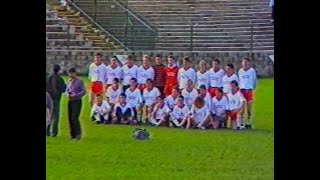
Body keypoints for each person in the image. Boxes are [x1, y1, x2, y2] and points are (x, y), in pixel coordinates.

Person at [66, 67, 86, 140]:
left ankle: (78, 134)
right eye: (69, 74)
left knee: (74, 117)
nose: (70, 75)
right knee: (70, 118)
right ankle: (72, 135)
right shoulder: (69, 81)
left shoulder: (80, 81)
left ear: (74, 73)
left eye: (71, 74)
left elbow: (84, 91)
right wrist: (68, 94)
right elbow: (67, 90)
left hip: (77, 101)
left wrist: (76, 95)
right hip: (70, 101)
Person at [46, 64, 66, 137]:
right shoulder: (60, 79)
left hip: (48, 99)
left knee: (48, 115)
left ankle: (47, 131)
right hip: (56, 99)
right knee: (56, 116)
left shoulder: (48, 78)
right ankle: (54, 132)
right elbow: (63, 89)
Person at [238, 58, 257, 129]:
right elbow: (239, 81)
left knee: (249, 108)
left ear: (249, 63)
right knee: (242, 108)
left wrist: (251, 88)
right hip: (242, 91)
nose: (245, 64)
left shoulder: (252, 71)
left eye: (246, 62)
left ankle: (248, 123)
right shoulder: (240, 71)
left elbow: (255, 81)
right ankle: (241, 123)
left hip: (249, 91)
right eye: (243, 62)